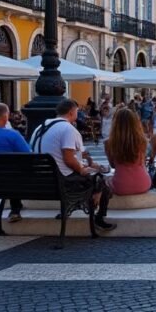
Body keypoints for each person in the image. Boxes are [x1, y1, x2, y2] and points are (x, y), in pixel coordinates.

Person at [30, 99, 116, 231]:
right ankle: (98, 219)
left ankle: (74, 207)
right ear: (72, 112)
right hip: (62, 182)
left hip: (40, 180)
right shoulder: (68, 128)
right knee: (102, 181)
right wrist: (82, 169)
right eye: (77, 111)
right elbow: (69, 159)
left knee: (92, 173)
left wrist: (88, 162)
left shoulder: (40, 127)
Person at [104, 108, 152, 196]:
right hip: (144, 184)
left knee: (105, 180)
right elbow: (142, 162)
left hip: (121, 187)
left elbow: (113, 165)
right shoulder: (143, 141)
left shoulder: (109, 142)